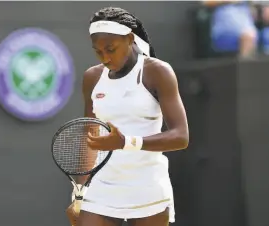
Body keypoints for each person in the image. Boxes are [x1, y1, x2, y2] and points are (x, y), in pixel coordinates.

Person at [66, 6, 189, 226]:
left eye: (111, 49)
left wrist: (127, 143)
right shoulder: (92, 77)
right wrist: (79, 195)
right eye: (98, 51)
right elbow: (90, 140)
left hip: (148, 187)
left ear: (130, 39)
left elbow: (181, 137)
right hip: (102, 187)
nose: (105, 57)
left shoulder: (157, 72)